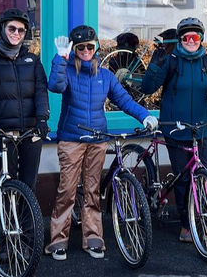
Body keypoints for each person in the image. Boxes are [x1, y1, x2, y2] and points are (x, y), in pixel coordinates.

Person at [45, 25, 158, 261]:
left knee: (92, 191)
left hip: (97, 139)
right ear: (74, 50)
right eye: (80, 47)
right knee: (67, 191)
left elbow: (124, 100)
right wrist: (60, 57)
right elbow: (55, 86)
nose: (86, 50)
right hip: (72, 139)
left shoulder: (105, 76)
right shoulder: (66, 69)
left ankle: (93, 237)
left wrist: (145, 115)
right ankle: (58, 240)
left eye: (90, 46)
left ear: (96, 47)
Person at [141, 17, 207, 247]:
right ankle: (186, 225)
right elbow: (147, 88)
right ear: (180, 40)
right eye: (186, 38)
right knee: (184, 180)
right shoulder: (171, 61)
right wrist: (155, 64)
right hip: (175, 129)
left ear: (202, 39)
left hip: (201, 130)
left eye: (196, 37)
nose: (191, 41)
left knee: (205, 180)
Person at [0, 8, 50, 191]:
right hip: (4, 131)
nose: (16, 33)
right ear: (3, 29)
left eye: (21, 30)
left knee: (29, 185)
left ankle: (28, 220)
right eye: (12, 29)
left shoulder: (32, 60)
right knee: (7, 182)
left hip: (31, 131)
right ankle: (5, 217)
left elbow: (40, 92)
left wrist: (42, 118)